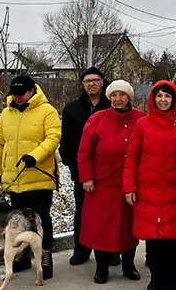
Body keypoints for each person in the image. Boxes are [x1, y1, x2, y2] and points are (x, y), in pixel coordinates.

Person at [123, 81, 176, 290]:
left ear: (174, 100)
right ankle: (155, 281)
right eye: (159, 96)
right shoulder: (143, 124)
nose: (163, 100)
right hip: (146, 192)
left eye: (167, 96)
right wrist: (129, 186)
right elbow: (132, 156)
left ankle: (172, 282)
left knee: (170, 242)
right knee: (153, 242)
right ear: (153, 99)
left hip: (173, 192)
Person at [0, 74, 62, 280]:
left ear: (32, 91)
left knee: (41, 219)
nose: (18, 97)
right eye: (15, 94)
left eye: (22, 94)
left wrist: (34, 156)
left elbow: (53, 138)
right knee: (19, 220)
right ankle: (22, 257)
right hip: (15, 178)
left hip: (39, 176)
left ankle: (45, 256)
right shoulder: (6, 113)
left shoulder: (47, 111)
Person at [77, 79, 145, 284]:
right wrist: (87, 177)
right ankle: (102, 267)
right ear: (109, 97)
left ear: (129, 97)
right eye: (114, 95)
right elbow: (84, 152)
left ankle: (128, 265)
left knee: (129, 228)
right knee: (101, 229)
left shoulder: (141, 119)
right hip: (102, 185)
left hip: (130, 184)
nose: (117, 98)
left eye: (122, 95)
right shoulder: (97, 119)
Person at [59, 67, 112, 266]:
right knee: (83, 212)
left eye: (95, 80)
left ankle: (110, 251)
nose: (91, 83)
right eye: (87, 80)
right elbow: (67, 142)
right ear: (83, 84)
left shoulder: (112, 106)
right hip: (82, 172)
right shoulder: (72, 110)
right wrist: (74, 166)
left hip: (108, 173)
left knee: (108, 214)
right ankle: (81, 250)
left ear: (102, 82)